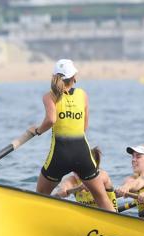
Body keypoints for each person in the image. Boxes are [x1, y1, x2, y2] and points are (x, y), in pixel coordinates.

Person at [30, 59, 115, 211]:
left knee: (41, 196)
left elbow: (50, 120)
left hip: (59, 155)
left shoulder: (49, 97)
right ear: (74, 77)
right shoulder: (83, 95)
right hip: (82, 153)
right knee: (101, 198)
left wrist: (37, 131)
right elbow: (84, 126)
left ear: (54, 77)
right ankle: (119, 228)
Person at [53, 146, 117, 211]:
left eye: (80, 168)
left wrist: (89, 185)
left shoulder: (102, 175)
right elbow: (62, 191)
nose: (77, 171)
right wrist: (77, 188)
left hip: (110, 215)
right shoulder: (72, 180)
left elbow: (97, 181)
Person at [115, 143, 144, 218]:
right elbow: (130, 184)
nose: (133, 160)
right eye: (133, 156)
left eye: (138, 157)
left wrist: (127, 187)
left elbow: (139, 182)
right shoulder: (131, 179)